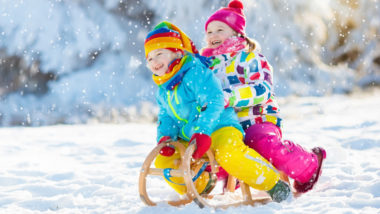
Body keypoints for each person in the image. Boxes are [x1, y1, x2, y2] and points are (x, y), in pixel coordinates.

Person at [145, 21, 290, 202]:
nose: (154, 61)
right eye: (149, 58)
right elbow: (166, 116)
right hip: (192, 135)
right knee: (163, 161)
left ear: (177, 52)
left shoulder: (195, 73)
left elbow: (214, 101)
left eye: (159, 54)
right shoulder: (163, 89)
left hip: (220, 127)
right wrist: (166, 136)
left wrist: (203, 131)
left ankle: (273, 184)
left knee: (229, 153)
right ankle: (202, 183)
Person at [201, 0, 326, 193]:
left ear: (236, 32)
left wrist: (230, 97)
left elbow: (262, 90)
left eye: (219, 30)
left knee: (262, 144)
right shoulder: (209, 66)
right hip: (228, 126)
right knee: (214, 150)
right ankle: (227, 176)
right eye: (209, 32)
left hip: (258, 119)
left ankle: (309, 165)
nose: (213, 35)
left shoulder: (250, 58)